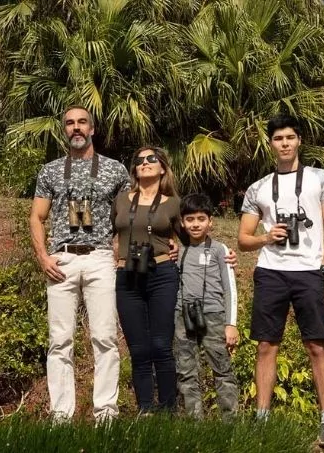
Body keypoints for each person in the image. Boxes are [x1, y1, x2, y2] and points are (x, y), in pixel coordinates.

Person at [238, 115, 324, 447]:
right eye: (278, 138)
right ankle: (261, 419)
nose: (284, 143)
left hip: (309, 271)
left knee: (317, 345)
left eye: (289, 137)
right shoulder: (258, 187)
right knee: (266, 345)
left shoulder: (321, 178)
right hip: (271, 270)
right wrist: (266, 237)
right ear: (270, 144)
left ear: (299, 140)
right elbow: (243, 239)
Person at [29, 105, 128, 423]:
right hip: (63, 259)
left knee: (105, 338)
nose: (76, 127)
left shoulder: (115, 170)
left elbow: (127, 218)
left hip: (100, 258)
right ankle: (61, 416)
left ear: (92, 129)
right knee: (60, 340)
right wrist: (43, 257)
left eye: (82, 122)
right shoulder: (51, 171)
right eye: (70, 123)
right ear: (64, 130)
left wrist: (120, 253)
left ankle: (106, 415)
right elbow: (37, 216)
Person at [112, 146, 183, 414]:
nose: (144, 163)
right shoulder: (121, 200)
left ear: (162, 167)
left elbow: (191, 237)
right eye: (139, 160)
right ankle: (144, 409)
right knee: (138, 349)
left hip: (161, 274)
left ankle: (168, 410)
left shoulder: (173, 202)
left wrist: (223, 255)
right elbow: (108, 233)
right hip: (127, 275)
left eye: (151, 159)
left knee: (161, 346)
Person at [174, 193, 239, 419]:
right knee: (186, 370)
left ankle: (230, 423)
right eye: (190, 219)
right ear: (182, 222)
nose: (195, 224)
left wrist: (231, 324)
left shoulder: (221, 250)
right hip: (183, 316)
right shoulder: (177, 250)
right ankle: (195, 424)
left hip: (214, 315)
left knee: (222, 369)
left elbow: (230, 288)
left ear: (210, 221)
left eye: (201, 219)